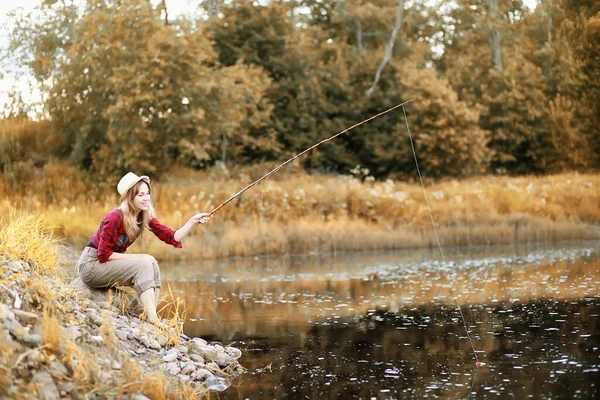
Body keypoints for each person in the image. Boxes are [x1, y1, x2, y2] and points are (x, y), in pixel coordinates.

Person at [77, 172, 210, 325]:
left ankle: (151, 315)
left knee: (152, 265)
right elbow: (103, 255)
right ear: (130, 198)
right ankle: (153, 319)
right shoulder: (115, 217)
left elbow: (173, 237)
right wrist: (140, 256)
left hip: (104, 263)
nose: (146, 198)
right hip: (91, 266)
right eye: (141, 194)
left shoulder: (143, 216)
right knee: (145, 262)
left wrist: (192, 221)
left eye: (147, 193)